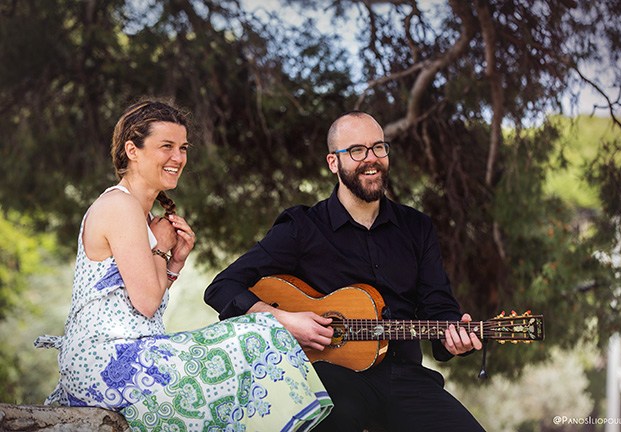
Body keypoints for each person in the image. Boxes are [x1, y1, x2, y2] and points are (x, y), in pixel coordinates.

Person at [35, 100, 333, 432]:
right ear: (132, 150)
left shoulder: (141, 214)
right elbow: (146, 303)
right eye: (167, 146)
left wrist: (174, 262)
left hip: (130, 356)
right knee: (257, 331)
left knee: (254, 342)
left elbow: (137, 301)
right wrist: (162, 247)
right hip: (103, 363)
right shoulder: (119, 205)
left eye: (183, 148)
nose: (178, 158)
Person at [204, 111, 486, 432]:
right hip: (332, 377)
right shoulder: (302, 227)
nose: (371, 159)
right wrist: (285, 320)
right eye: (356, 150)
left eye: (378, 147)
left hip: (404, 377)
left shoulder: (417, 227)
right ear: (333, 162)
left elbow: (439, 307)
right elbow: (222, 288)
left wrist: (454, 340)